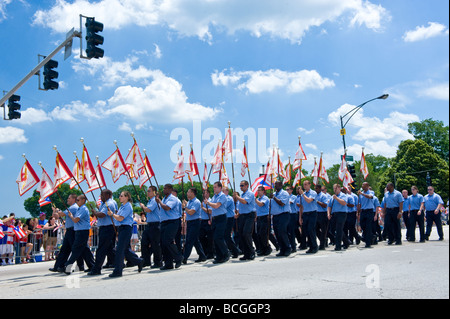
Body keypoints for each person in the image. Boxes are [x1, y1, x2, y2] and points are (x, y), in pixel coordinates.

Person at [107, 191, 144, 277]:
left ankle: (118, 271)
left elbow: (120, 218)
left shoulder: (128, 206)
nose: (119, 197)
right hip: (122, 228)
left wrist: (112, 214)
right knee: (126, 249)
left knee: (120, 250)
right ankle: (139, 261)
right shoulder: (122, 206)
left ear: (127, 197)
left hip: (125, 228)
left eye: (121, 196)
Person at [87, 189, 118, 276]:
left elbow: (102, 214)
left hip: (107, 228)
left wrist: (95, 213)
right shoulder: (106, 203)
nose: (101, 196)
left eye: (102, 195)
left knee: (101, 249)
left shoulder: (110, 203)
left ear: (108, 195)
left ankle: (97, 268)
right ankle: (117, 263)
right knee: (109, 248)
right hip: (106, 227)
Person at [63, 195, 95, 275]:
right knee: (85, 250)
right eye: (76, 200)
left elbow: (76, 219)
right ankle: (92, 266)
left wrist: (70, 216)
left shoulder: (83, 208)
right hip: (79, 231)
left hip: (82, 231)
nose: (77, 201)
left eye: (78, 200)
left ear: (83, 200)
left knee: (76, 249)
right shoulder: (80, 208)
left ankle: (68, 266)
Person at [156, 184, 183, 270]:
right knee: (163, 243)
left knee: (168, 241)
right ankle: (168, 263)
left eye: (165, 188)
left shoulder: (172, 198)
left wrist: (159, 202)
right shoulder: (164, 199)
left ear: (170, 190)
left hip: (172, 222)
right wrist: (159, 202)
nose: (163, 190)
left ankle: (178, 257)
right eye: (163, 188)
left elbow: (167, 208)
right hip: (164, 222)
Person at [205, 182, 229, 264]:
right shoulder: (214, 197)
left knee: (218, 237)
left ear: (220, 188)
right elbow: (212, 210)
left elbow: (216, 206)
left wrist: (208, 202)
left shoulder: (222, 196)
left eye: (215, 187)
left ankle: (226, 253)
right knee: (215, 238)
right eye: (213, 187)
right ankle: (219, 256)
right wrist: (211, 219)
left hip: (221, 218)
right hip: (215, 218)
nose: (214, 188)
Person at [182, 188, 207, 264]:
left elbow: (191, 212)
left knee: (189, 240)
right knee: (195, 240)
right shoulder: (189, 202)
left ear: (192, 193)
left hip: (195, 222)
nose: (187, 193)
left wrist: (185, 207)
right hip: (190, 222)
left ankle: (184, 257)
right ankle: (202, 256)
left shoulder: (196, 202)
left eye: (188, 192)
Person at [140, 186, 162, 269]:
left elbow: (149, 210)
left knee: (155, 244)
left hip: (155, 224)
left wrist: (143, 206)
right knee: (144, 242)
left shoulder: (154, 200)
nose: (147, 192)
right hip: (149, 224)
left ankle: (158, 262)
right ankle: (146, 261)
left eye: (149, 191)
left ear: (154, 192)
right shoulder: (150, 201)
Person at [234, 180, 256, 261]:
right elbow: (241, 207)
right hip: (242, 216)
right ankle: (246, 254)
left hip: (249, 216)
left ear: (247, 185)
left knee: (246, 233)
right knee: (241, 235)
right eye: (240, 185)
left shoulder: (250, 193)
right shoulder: (242, 194)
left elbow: (244, 201)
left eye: (242, 185)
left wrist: (237, 196)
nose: (241, 187)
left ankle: (251, 252)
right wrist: (238, 214)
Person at [271, 181, 291, 257]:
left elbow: (282, 203)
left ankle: (288, 248)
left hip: (283, 215)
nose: (275, 186)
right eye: (275, 185)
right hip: (275, 216)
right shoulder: (274, 194)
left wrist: (274, 198)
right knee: (277, 233)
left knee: (282, 232)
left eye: (277, 184)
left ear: (281, 185)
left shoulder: (284, 193)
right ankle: (282, 249)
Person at [298, 180, 318, 254]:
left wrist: (303, 194)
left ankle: (315, 246)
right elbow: (301, 207)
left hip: (312, 213)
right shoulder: (303, 195)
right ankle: (310, 246)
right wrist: (300, 217)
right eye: (304, 185)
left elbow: (309, 200)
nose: (305, 186)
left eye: (306, 184)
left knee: (311, 229)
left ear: (310, 185)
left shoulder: (313, 193)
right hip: (305, 214)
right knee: (306, 230)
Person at [327, 184, 349, 251]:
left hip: (342, 214)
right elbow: (329, 206)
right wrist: (328, 213)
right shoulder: (332, 197)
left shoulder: (343, 195)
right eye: (334, 188)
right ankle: (346, 242)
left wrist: (337, 198)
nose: (334, 190)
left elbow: (344, 203)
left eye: (336, 188)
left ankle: (338, 245)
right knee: (332, 230)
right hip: (334, 214)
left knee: (339, 229)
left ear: (339, 188)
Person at [223, 187, 240, 259]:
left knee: (227, 236)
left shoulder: (229, 198)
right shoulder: (223, 198)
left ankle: (235, 250)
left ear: (227, 191)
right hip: (225, 218)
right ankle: (233, 250)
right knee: (225, 236)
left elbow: (223, 206)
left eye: (223, 191)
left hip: (229, 218)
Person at [255, 186, 272, 256]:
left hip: (265, 217)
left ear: (263, 191)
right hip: (259, 217)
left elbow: (261, 204)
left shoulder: (265, 198)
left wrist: (255, 199)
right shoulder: (258, 199)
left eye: (259, 190)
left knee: (264, 234)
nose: (258, 192)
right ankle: (262, 249)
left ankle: (267, 248)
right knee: (258, 234)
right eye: (257, 190)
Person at [357, 182, 375, 248]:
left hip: (369, 211)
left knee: (368, 227)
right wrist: (358, 212)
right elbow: (359, 203)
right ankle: (372, 236)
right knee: (363, 225)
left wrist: (362, 194)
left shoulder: (371, 192)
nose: (362, 186)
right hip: (363, 211)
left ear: (367, 186)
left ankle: (368, 243)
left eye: (363, 185)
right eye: (362, 185)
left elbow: (370, 197)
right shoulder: (360, 194)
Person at [199, 189, 214, 260]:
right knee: (201, 236)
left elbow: (210, 211)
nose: (204, 195)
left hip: (208, 220)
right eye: (203, 193)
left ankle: (211, 253)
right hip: (202, 221)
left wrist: (203, 208)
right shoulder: (203, 202)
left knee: (210, 238)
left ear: (208, 194)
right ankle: (205, 252)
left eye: (205, 193)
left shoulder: (210, 201)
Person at [315, 184, 329, 250]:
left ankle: (322, 245)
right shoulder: (314, 195)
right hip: (316, 214)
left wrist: (317, 201)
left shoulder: (323, 196)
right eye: (315, 188)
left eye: (317, 188)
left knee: (323, 230)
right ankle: (323, 240)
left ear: (320, 189)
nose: (316, 190)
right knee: (316, 229)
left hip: (322, 214)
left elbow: (325, 205)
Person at [286, 186, 299, 253]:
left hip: (293, 215)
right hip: (287, 215)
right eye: (286, 190)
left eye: (288, 189)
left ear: (291, 190)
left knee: (292, 232)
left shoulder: (293, 197)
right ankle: (290, 245)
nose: (286, 191)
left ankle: (293, 247)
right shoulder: (286, 197)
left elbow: (289, 202)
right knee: (287, 232)